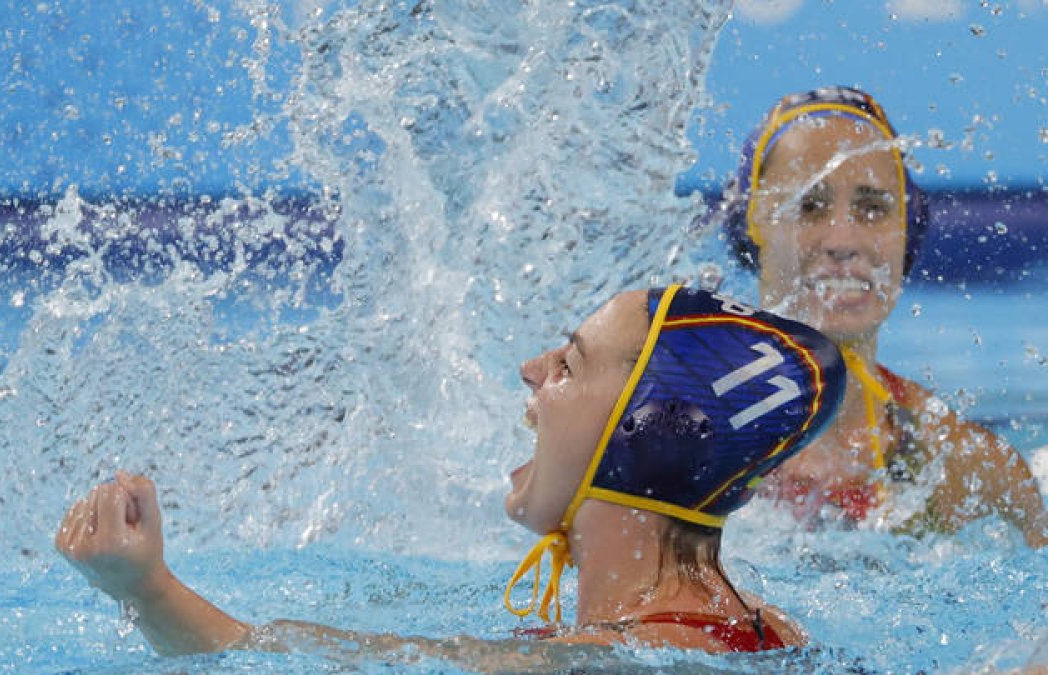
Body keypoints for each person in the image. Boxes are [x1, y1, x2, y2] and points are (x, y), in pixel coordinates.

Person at [56, 285, 847, 663]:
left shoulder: (595, 663)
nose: (531, 371)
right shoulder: (770, 628)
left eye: (568, 364)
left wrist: (146, 588)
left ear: (646, 436)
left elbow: (292, 664)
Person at [718, 85, 1048, 547]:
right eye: (808, 207)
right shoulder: (687, 446)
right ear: (752, 227)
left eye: (873, 208)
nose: (843, 239)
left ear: (905, 232)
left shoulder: (969, 470)